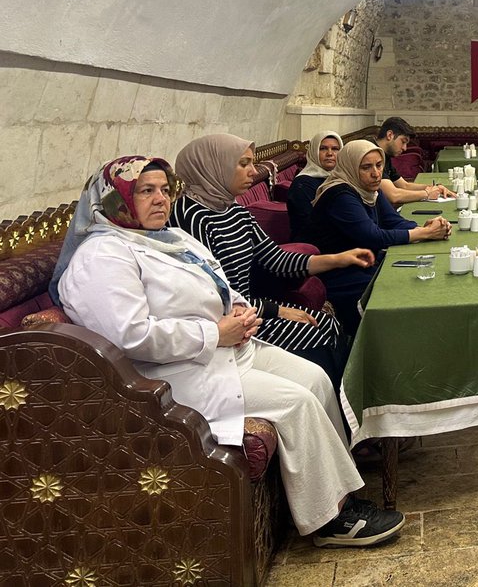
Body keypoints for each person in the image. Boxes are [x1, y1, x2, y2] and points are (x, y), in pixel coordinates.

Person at [52, 156, 405, 547]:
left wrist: (240, 309)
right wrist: (214, 333)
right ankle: (331, 521)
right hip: (172, 376)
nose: (160, 199)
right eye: (146, 191)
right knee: (297, 403)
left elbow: (217, 283)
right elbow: (129, 336)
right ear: (114, 200)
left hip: (225, 350)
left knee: (316, 379)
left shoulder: (169, 238)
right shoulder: (102, 257)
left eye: (165, 190)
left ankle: (337, 494)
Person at [171, 134, 375, 388]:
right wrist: (279, 310)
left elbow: (277, 260)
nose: (253, 171)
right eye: (243, 164)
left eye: (251, 163)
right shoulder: (190, 216)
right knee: (317, 335)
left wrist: (338, 259)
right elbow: (215, 296)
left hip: (252, 308)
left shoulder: (235, 211)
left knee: (329, 324)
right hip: (232, 320)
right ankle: (334, 397)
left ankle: (344, 398)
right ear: (215, 166)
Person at [310, 139, 451, 332]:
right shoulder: (340, 194)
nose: (376, 173)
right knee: (399, 291)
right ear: (350, 166)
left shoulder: (369, 189)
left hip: (364, 262)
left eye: (379, 165)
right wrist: (423, 233)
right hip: (339, 272)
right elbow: (373, 237)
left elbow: (393, 220)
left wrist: (425, 227)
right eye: (366, 167)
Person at [375, 116, 454, 206]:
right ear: (390, 135)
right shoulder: (373, 155)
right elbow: (394, 195)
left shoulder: (384, 154)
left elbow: (404, 185)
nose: (404, 148)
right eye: (403, 142)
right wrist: (427, 194)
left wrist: (434, 188)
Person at [287, 131, 341, 244]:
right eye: (323, 148)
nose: (330, 153)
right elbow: (309, 225)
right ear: (314, 152)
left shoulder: (342, 178)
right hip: (313, 245)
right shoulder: (302, 184)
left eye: (335, 149)